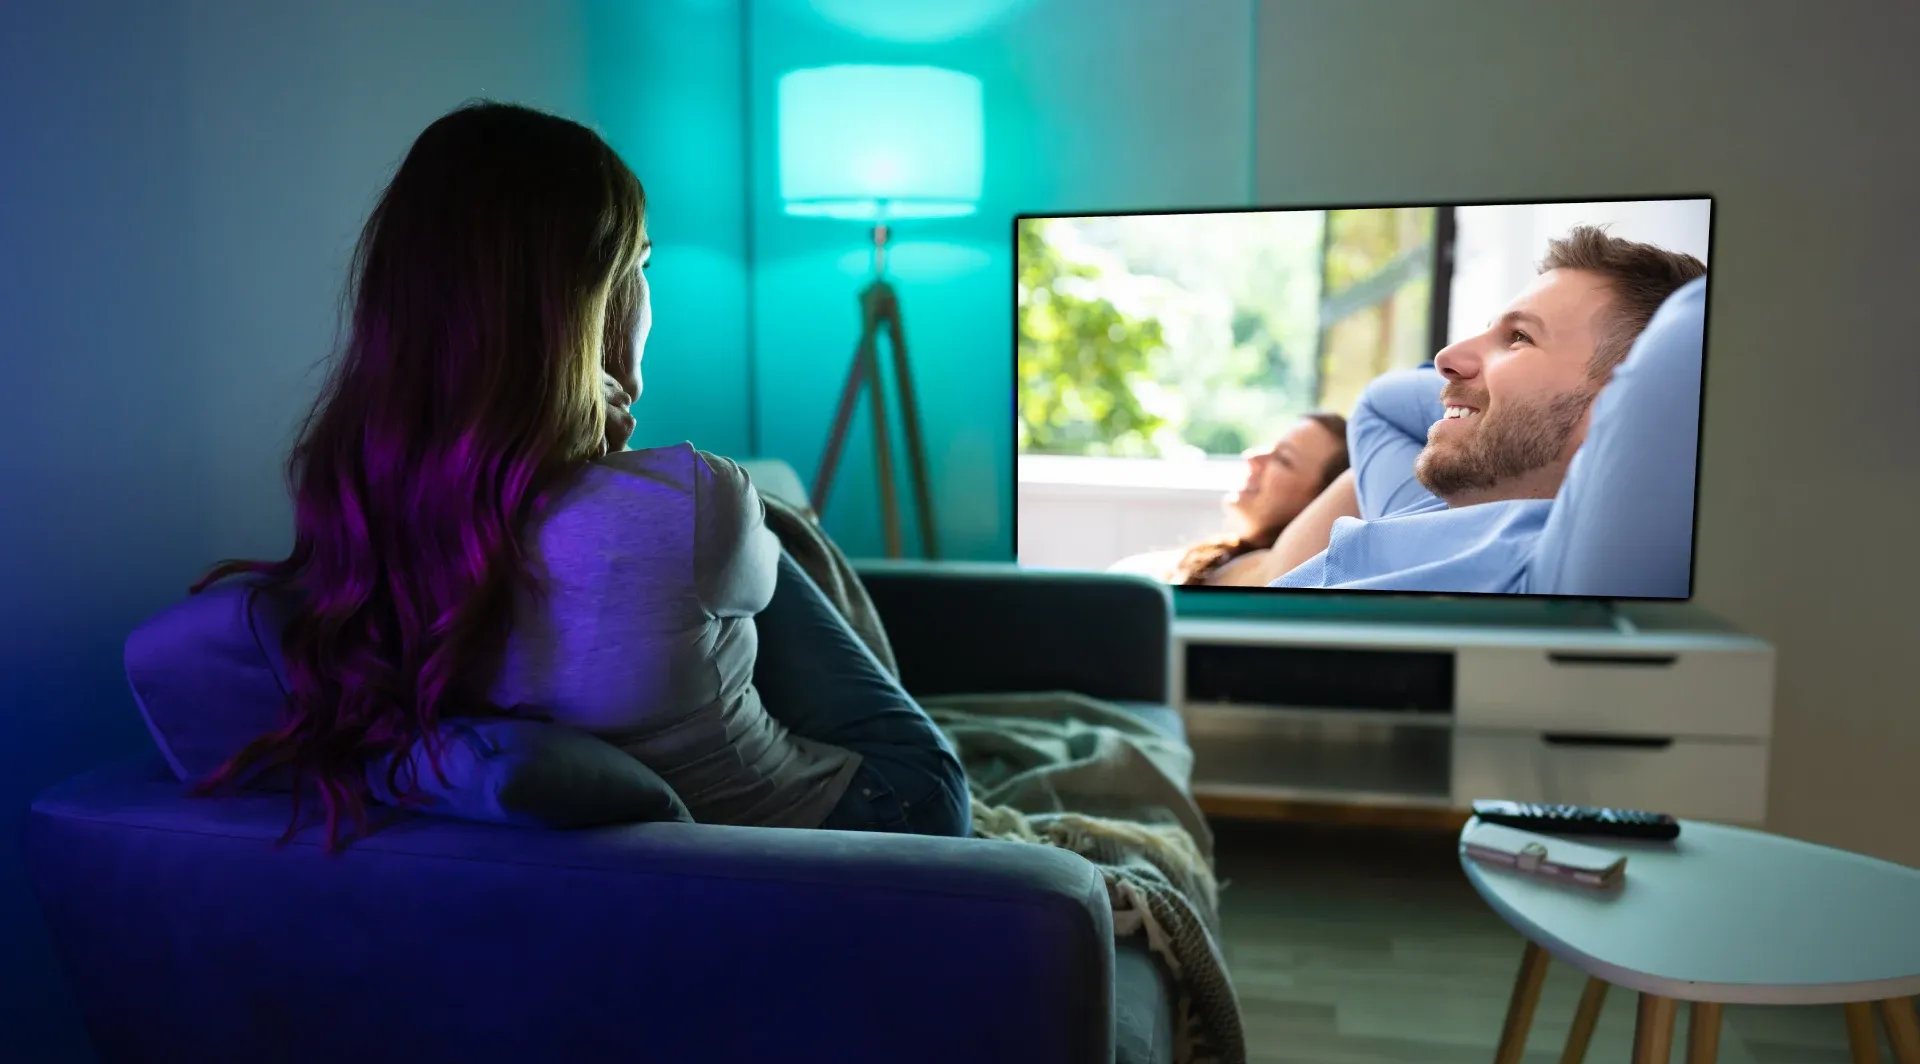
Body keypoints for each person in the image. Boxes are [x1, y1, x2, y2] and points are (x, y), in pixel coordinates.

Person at [187, 101, 967, 847]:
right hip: (871, 818)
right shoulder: (690, 499)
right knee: (768, 521)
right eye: (643, 266)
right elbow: (742, 576)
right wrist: (629, 452)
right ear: (599, 300)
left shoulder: (366, 503)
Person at [1265, 226, 1707, 594]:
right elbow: (1380, 406)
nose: (1445, 357)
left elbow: (1695, 324)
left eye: (1519, 337)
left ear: (1617, 407)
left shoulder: (1557, 570)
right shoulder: (1437, 508)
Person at [1110, 414, 1349, 586]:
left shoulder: (1273, 571)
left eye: (1283, 459)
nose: (1252, 457)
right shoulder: (1228, 556)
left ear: (1320, 503)